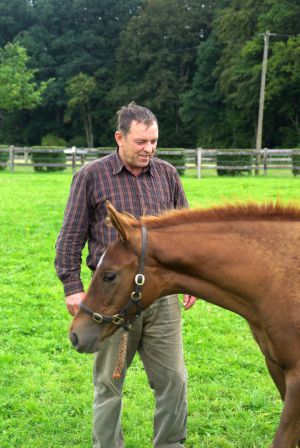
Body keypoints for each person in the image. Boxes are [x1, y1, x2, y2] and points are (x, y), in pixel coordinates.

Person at [55, 102, 196, 448]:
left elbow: (186, 234)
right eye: (141, 142)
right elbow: (70, 237)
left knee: (173, 380)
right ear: (120, 137)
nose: (149, 149)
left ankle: (170, 444)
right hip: (113, 299)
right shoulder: (91, 176)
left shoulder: (167, 175)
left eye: (154, 142)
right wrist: (72, 287)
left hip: (162, 298)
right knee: (109, 383)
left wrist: (190, 278)